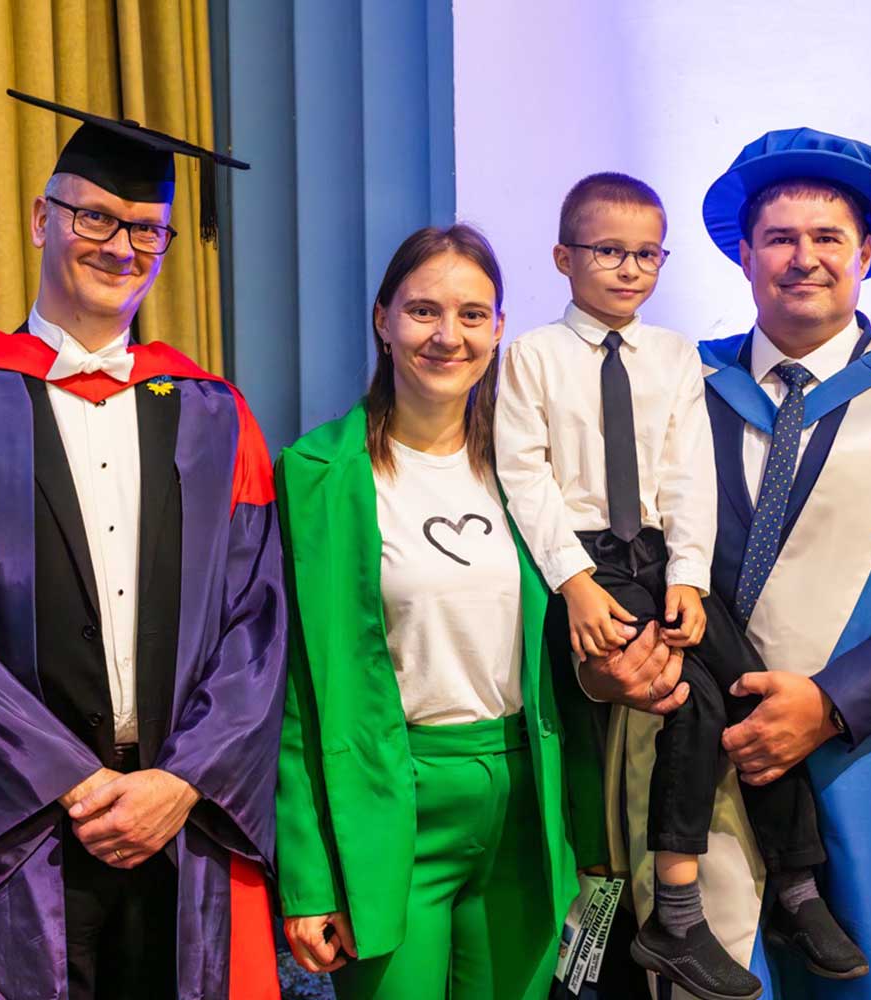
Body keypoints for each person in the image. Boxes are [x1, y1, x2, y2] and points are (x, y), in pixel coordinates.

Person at [0, 90, 285, 1000]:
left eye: (146, 230)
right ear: (44, 218)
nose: (120, 246)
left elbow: (258, 626)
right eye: (96, 216)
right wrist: (67, 781)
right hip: (11, 828)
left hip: (179, 825)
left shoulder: (215, 416)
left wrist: (181, 781)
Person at [582, 127, 871, 999]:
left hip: (863, 761)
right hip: (694, 755)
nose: (804, 258)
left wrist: (829, 703)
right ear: (743, 256)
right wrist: (613, 665)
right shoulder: (674, 387)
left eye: (828, 239)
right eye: (780, 238)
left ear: (867, 255)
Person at [496, 172, 866, 1000]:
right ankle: (676, 910)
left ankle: (799, 885)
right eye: (608, 252)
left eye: (645, 255)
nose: (629, 270)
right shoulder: (532, 357)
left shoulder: (673, 355)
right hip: (588, 562)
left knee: (753, 687)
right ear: (563, 257)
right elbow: (524, 478)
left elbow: (688, 474)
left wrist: (693, 579)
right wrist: (577, 584)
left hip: (663, 560)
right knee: (685, 704)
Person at [274, 224, 606, 1000]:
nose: (447, 336)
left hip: (526, 801)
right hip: (393, 801)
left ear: (498, 329)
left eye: (472, 314)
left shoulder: (534, 477)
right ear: (383, 319)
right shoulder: (315, 475)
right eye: (423, 311)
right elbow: (293, 690)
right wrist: (308, 875)